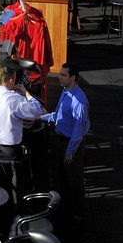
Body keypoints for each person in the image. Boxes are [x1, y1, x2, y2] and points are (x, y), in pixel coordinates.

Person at [42, 63, 90, 227]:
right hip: (61, 139)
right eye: (60, 74)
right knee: (61, 178)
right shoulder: (66, 92)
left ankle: (77, 215)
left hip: (70, 144)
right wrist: (42, 118)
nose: (59, 77)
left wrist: (70, 152)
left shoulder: (79, 101)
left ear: (73, 77)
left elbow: (78, 131)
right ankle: (65, 210)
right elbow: (60, 114)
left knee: (74, 181)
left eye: (63, 75)